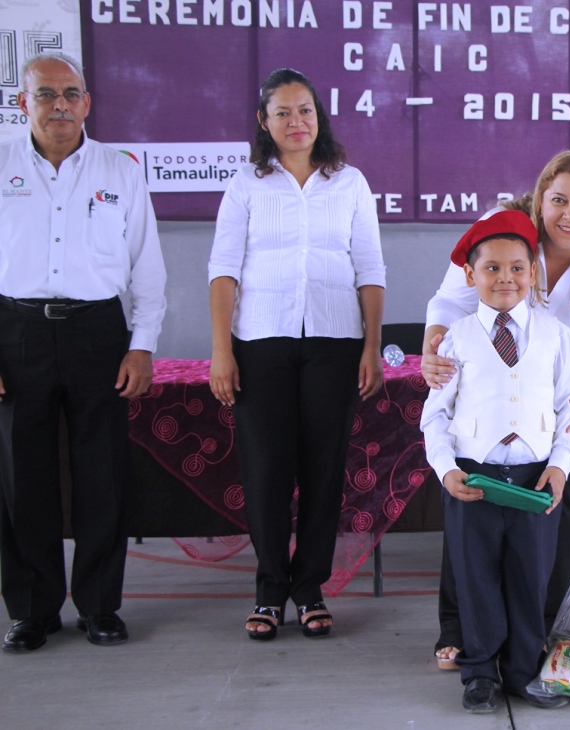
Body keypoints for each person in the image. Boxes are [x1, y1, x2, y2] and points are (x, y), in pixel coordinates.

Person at [421, 151, 570, 668]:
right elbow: (447, 304)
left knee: (556, 511)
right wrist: (435, 346)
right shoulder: (500, 234)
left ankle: (542, 632)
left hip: (561, 399)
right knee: (469, 512)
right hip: (485, 391)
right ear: (540, 197)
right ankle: (457, 630)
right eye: (559, 200)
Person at [208, 68, 385, 641]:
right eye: (282, 112)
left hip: (335, 343)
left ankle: (309, 589)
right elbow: (224, 271)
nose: (295, 122)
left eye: (304, 110)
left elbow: (371, 270)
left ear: (319, 117)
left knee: (323, 470)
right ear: (264, 122)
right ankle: (268, 592)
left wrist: (372, 345)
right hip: (260, 343)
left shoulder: (350, 182)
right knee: (265, 471)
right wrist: (220, 351)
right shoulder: (246, 185)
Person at [0, 52, 167, 652]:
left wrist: (141, 345)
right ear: (24, 103)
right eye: (46, 94)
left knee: (102, 477)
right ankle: (32, 610)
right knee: (24, 479)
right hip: (15, 333)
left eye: (71, 93)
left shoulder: (118, 170)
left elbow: (146, 267)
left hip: (98, 333)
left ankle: (100, 606)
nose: (60, 105)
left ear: (88, 102)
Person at [420, 210, 570, 712]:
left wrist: (560, 465)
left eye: (517, 267)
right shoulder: (455, 338)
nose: (505, 279)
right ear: (470, 276)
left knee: (529, 574)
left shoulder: (558, 337)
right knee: (476, 577)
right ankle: (479, 672)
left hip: (534, 479)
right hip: (474, 478)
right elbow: (434, 417)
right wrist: (447, 471)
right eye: (491, 268)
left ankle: (522, 669)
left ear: (532, 273)